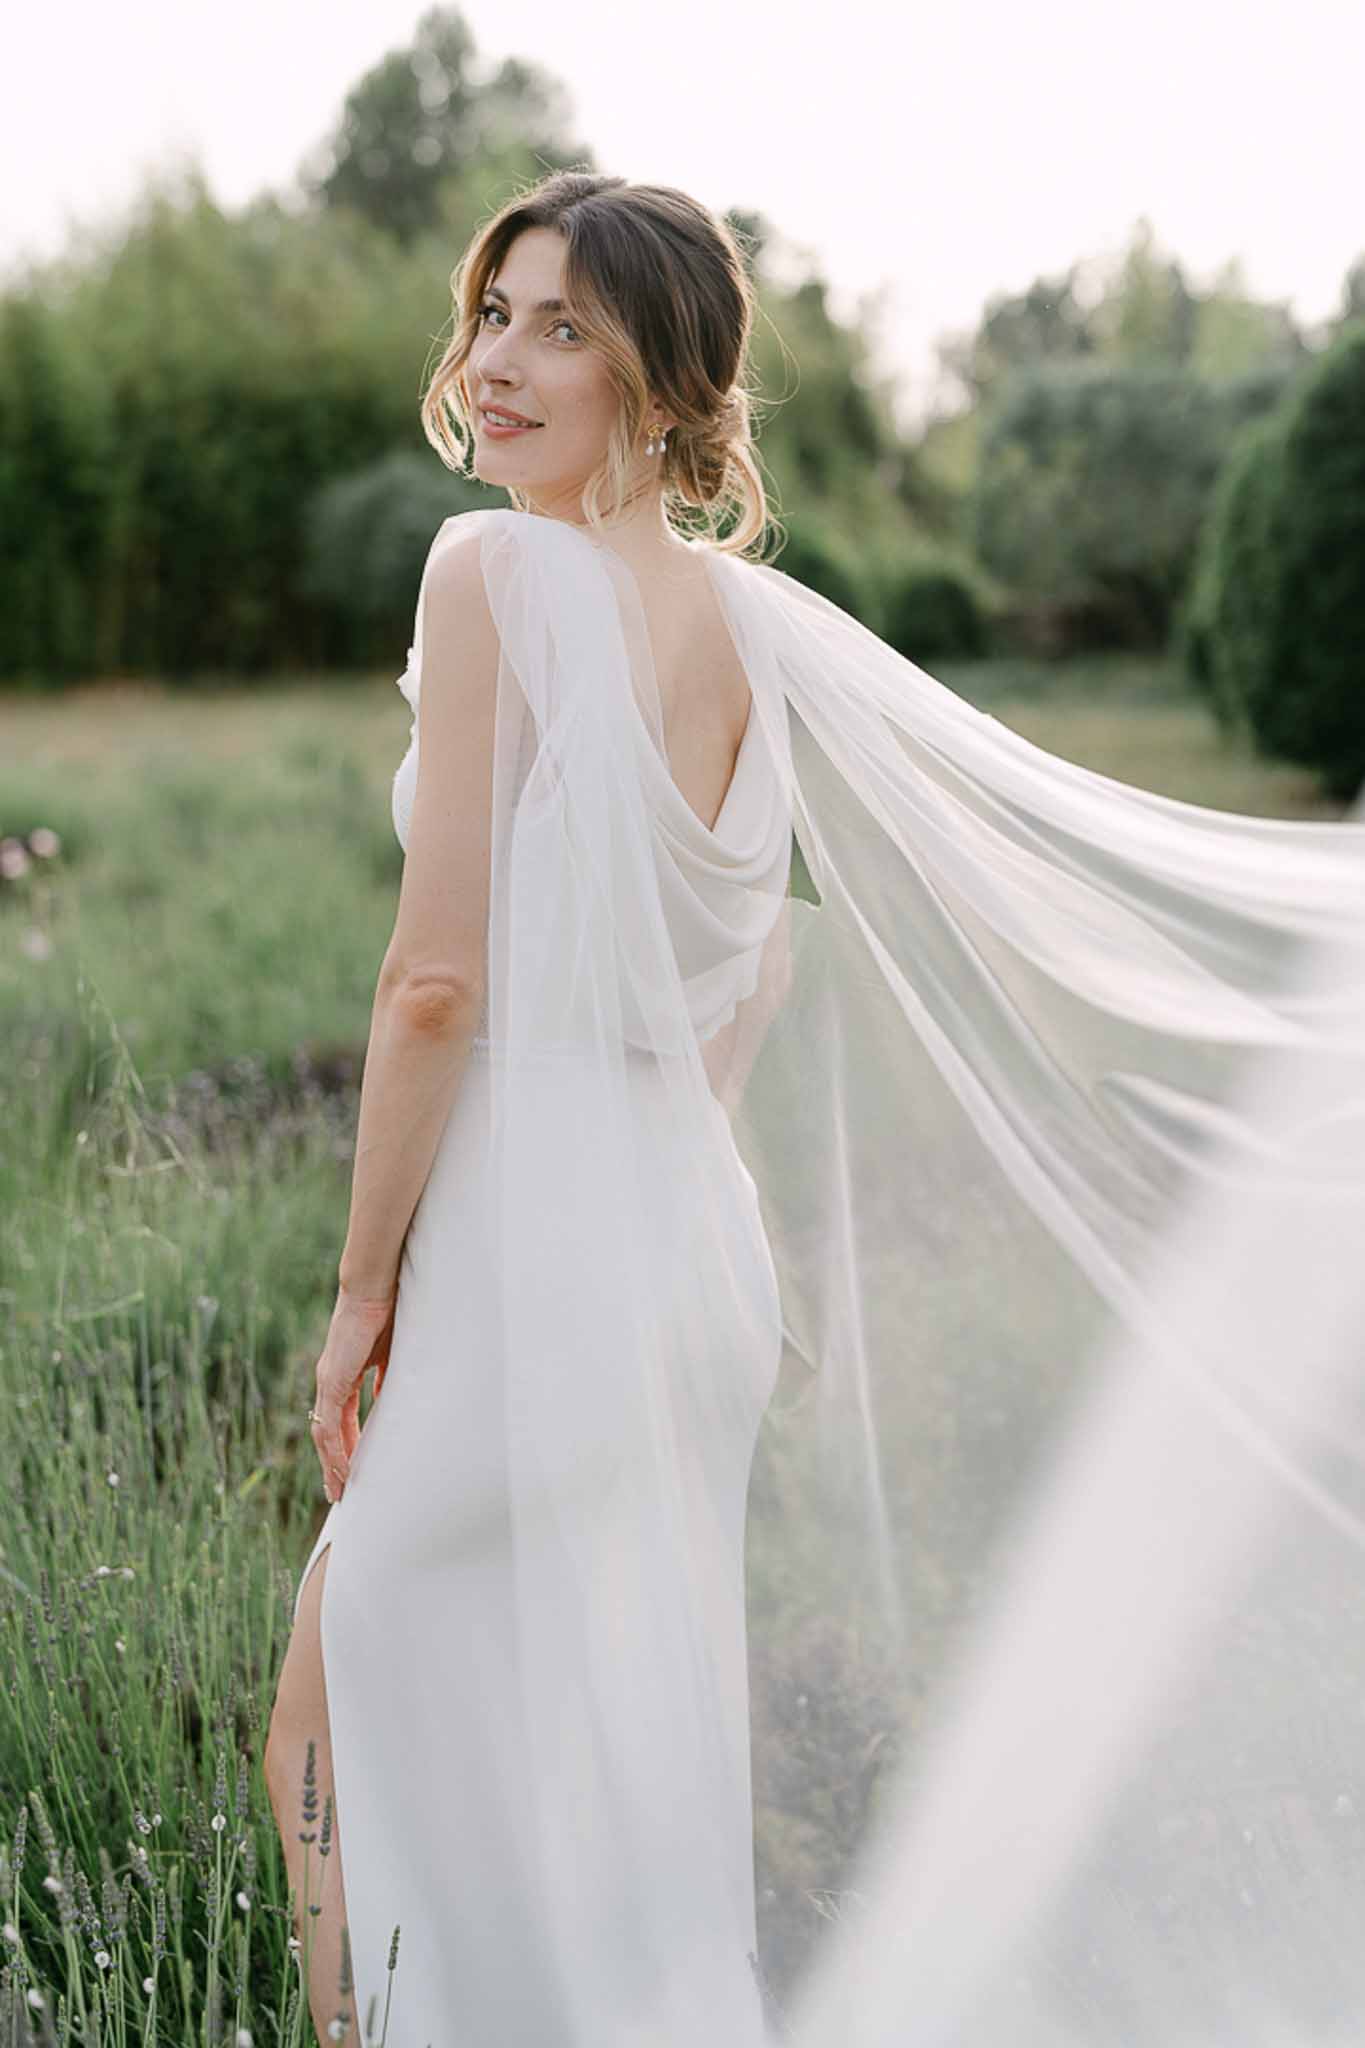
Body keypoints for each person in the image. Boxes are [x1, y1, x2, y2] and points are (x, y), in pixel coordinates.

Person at [264, 170, 1365, 2048]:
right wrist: (639, 1162)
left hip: (536, 1224)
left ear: (664, 385)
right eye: (493, 314)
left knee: (337, 1688)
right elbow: (753, 970)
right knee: (612, 1722)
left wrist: (367, 1290)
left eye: (564, 332)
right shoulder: (755, 633)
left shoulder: (489, 572)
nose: (499, 364)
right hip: (680, 1237)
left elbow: (433, 983)